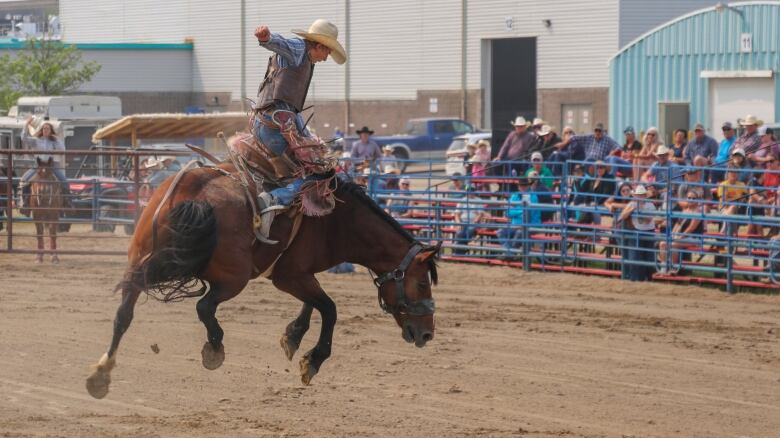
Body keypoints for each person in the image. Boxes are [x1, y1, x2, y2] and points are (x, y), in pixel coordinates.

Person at [252, 19, 347, 208]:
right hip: (275, 130)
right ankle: (274, 198)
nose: (326, 57)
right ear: (319, 46)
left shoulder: (303, 59)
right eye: (327, 51)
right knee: (320, 173)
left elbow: (292, 112)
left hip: (268, 123)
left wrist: (308, 137)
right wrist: (267, 38)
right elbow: (283, 44)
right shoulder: (299, 50)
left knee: (312, 163)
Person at [19, 116, 69, 215]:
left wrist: (56, 139)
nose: (46, 130)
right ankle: (25, 202)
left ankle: (67, 203)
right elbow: (23, 138)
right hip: (38, 165)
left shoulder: (54, 141)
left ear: (51, 130)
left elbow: (62, 150)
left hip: (51, 165)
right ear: (41, 130)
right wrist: (26, 124)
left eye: (48, 128)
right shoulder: (36, 140)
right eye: (44, 128)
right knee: (24, 180)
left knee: (64, 180)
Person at [657, 190, 705, 274]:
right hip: (682, 237)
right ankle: (664, 268)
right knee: (662, 244)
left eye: (694, 198)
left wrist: (680, 236)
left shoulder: (697, 211)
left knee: (672, 245)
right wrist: (673, 235)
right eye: (689, 198)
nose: (691, 200)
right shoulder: (684, 210)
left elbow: (691, 228)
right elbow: (677, 224)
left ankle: (674, 269)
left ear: (697, 200)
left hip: (694, 238)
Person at [618, 185, 659, 281]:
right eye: (638, 195)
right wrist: (632, 210)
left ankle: (648, 278)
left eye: (641, 195)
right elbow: (622, 216)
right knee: (635, 256)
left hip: (648, 232)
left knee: (649, 257)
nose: (639, 197)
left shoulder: (650, 205)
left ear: (645, 195)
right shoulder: (632, 204)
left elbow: (647, 220)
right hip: (637, 231)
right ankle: (636, 278)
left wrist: (637, 210)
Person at [498, 177, 540, 258]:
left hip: (530, 225)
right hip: (516, 225)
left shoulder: (533, 197)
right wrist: (520, 211)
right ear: (518, 186)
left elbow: (528, 213)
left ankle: (509, 254)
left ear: (528, 186)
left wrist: (516, 211)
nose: (523, 187)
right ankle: (509, 253)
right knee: (500, 231)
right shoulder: (515, 196)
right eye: (521, 186)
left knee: (519, 232)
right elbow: (508, 212)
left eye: (525, 185)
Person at [555, 122, 621, 162]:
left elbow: (619, 147)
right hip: (587, 161)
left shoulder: (607, 139)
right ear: (594, 131)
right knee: (556, 155)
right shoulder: (589, 137)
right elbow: (573, 137)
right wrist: (563, 144)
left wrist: (613, 152)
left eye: (599, 131)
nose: (597, 132)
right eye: (596, 130)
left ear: (603, 131)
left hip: (599, 163)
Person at [453, 190, 489, 255]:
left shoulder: (479, 200)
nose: (470, 192)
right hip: (463, 221)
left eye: (471, 190)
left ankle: (459, 253)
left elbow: (480, 214)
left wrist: (475, 221)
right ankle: (461, 251)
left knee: (468, 231)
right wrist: (458, 223)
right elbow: (457, 214)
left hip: (473, 222)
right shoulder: (462, 200)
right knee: (460, 232)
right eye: (468, 191)